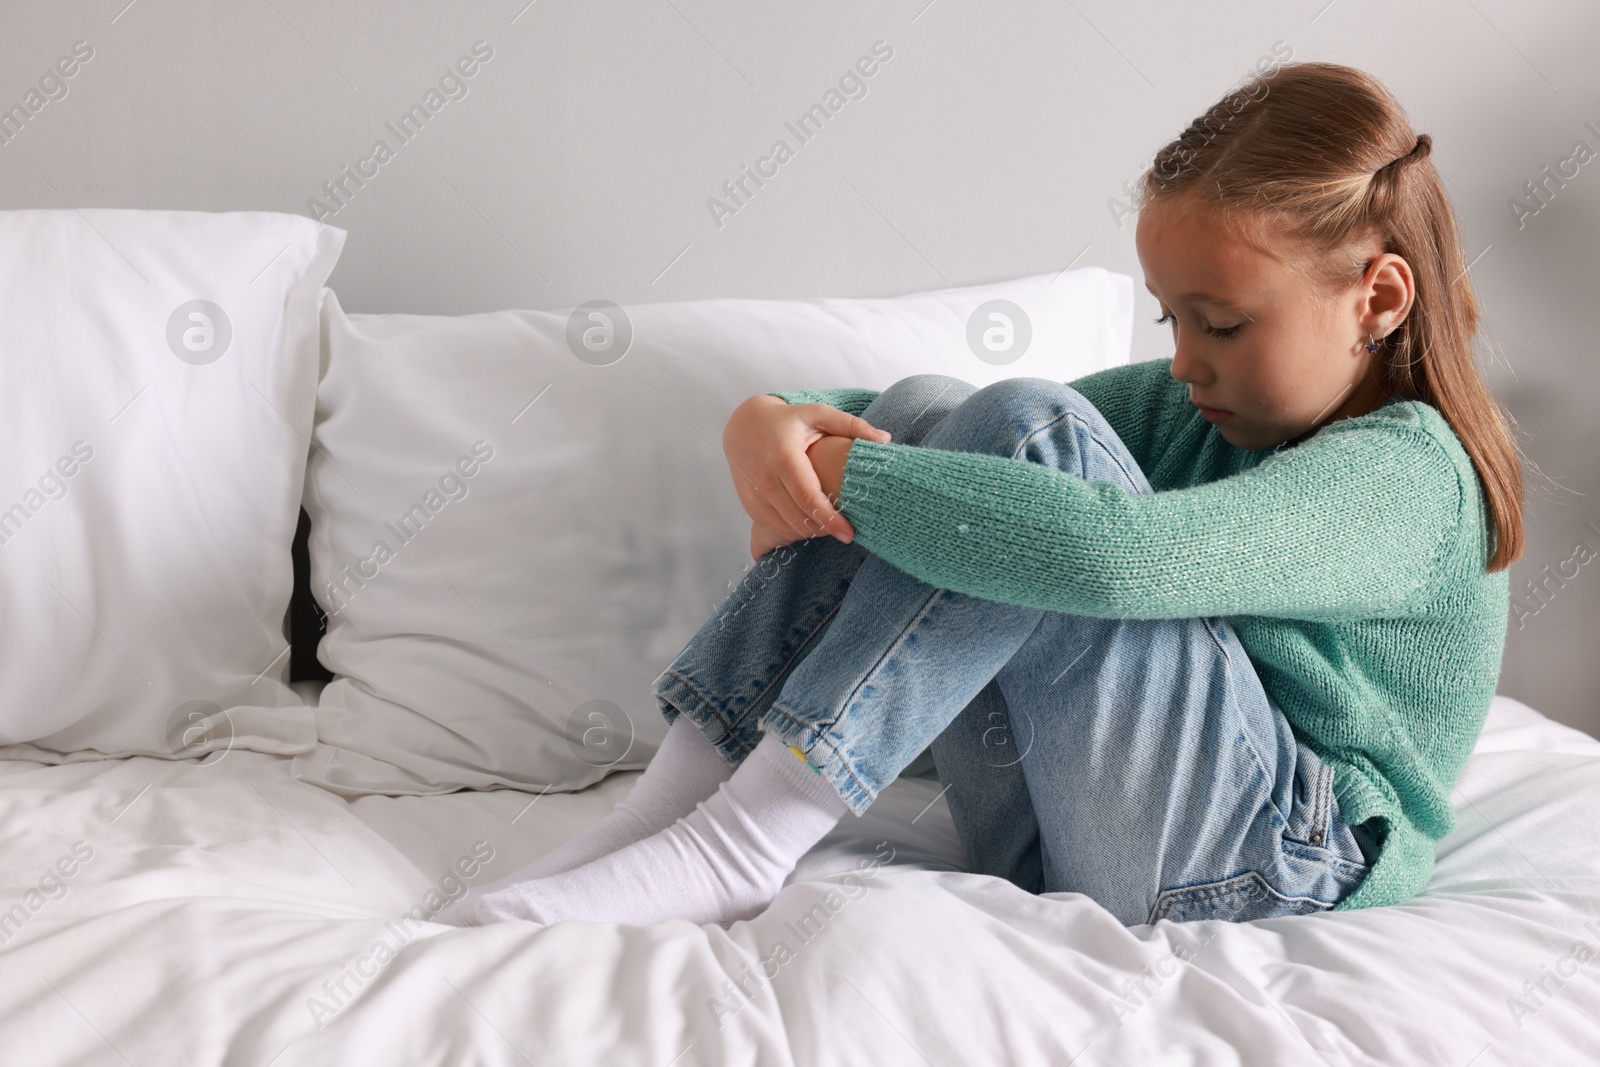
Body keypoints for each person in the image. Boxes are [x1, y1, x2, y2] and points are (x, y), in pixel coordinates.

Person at [441, 61, 1521, 930]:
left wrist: (842, 471)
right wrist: (776, 416)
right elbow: (915, 425)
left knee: (1022, 432)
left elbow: (1121, 560)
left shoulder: (1409, 471)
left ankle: (743, 842)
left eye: (1222, 322)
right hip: (1086, 833)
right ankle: (670, 808)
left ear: (1375, 297)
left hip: (1271, 861)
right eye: (1168, 320)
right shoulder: (1202, 405)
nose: (1186, 360)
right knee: (930, 402)